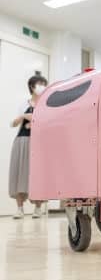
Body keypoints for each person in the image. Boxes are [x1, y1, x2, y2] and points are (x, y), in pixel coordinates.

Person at [9, 74, 48, 219]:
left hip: (39, 143)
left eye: (44, 84)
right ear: (32, 86)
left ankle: (38, 208)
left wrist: (34, 122)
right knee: (20, 173)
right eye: (40, 84)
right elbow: (13, 123)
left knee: (38, 174)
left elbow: (47, 122)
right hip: (22, 142)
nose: (42, 87)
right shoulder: (24, 104)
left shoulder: (45, 104)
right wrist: (24, 117)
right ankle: (20, 209)